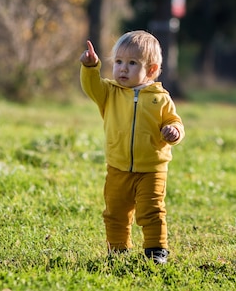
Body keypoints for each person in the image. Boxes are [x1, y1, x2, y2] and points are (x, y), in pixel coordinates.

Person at [79, 30, 185, 264]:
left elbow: (174, 121)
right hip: (117, 167)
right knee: (115, 213)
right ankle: (118, 251)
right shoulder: (110, 93)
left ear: (151, 70)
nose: (123, 69)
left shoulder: (161, 98)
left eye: (132, 63)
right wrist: (90, 67)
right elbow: (91, 86)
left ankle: (156, 251)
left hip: (152, 169)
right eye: (118, 62)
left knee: (152, 211)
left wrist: (174, 131)